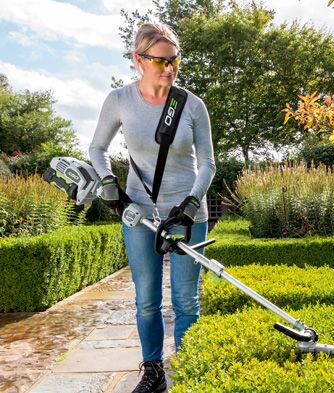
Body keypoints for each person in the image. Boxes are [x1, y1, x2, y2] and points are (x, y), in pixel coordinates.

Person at [88, 22, 215, 393]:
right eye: (160, 60)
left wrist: (192, 203)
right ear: (138, 60)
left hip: (187, 214)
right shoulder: (119, 101)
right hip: (139, 213)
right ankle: (154, 371)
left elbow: (207, 162)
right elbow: (96, 149)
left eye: (174, 60)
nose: (169, 67)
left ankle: (190, 372)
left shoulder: (191, 105)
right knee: (146, 299)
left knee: (186, 300)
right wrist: (108, 182)